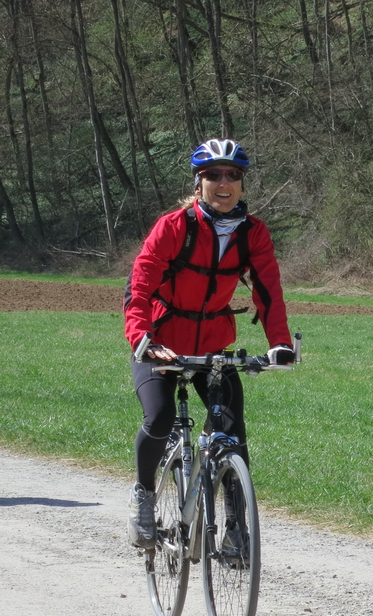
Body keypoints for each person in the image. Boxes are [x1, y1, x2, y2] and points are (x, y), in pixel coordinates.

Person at [123, 138, 294, 549]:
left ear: (241, 183)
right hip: (161, 344)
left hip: (212, 348)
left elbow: (268, 291)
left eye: (232, 175)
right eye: (213, 174)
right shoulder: (174, 226)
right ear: (199, 182)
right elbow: (140, 284)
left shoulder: (253, 233)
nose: (223, 182)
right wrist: (142, 338)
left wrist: (280, 343)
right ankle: (144, 497)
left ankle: (237, 528)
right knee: (161, 418)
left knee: (232, 430)